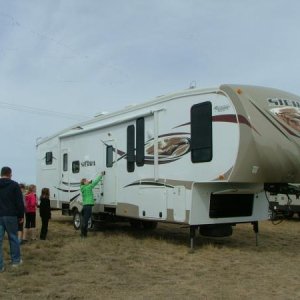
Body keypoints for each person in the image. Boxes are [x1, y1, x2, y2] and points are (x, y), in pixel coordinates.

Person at [0, 166, 24, 272]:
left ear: (1, 174)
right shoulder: (14, 185)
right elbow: (19, 202)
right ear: (10, 174)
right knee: (13, 238)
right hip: (11, 216)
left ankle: (0, 266)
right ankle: (15, 261)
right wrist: (21, 216)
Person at [80, 171, 105, 238]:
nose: (88, 181)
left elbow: (90, 182)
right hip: (88, 206)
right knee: (86, 220)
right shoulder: (88, 187)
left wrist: (89, 182)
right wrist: (101, 175)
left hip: (85, 205)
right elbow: (95, 182)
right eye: (86, 180)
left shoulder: (83, 187)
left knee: (84, 220)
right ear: (84, 182)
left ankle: (83, 234)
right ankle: (83, 235)